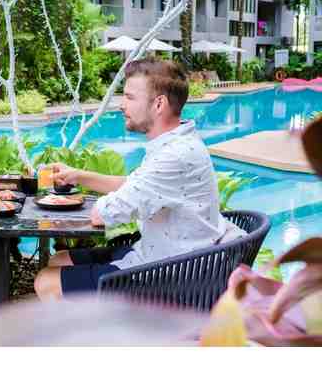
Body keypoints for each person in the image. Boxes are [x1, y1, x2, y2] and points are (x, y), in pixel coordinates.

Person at [34, 59, 246, 301]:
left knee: (46, 281)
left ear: (159, 104)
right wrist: (78, 175)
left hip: (172, 276)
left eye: (130, 97)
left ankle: (100, 325)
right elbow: (135, 185)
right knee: (59, 259)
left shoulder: (173, 156)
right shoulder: (176, 142)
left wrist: (87, 202)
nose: (121, 105)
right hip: (163, 255)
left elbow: (103, 215)